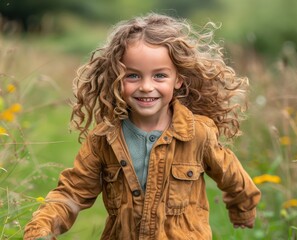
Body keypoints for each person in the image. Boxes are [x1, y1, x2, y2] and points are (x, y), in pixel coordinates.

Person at [24, 13, 261, 240]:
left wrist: (243, 208)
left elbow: (232, 176)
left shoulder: (198, 133)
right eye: (133, 76)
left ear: (178, 79)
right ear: (116, 77)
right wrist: (41, 228)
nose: (146, 86)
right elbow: (72, 192)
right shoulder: (104, 139)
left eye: (159, 76)